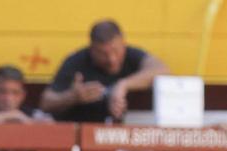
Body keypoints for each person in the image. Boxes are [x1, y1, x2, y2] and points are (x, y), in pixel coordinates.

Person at [40, 19, 168, 123]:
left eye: (116, 51)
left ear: (123, 43)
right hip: (80, 134)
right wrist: (72, 97)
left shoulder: (132, 55)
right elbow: (46, 102)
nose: (111, 59)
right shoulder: (76, 61)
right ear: (92, 49)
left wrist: (122, 85)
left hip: (119, 137)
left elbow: (162, 70)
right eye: (103, 54)